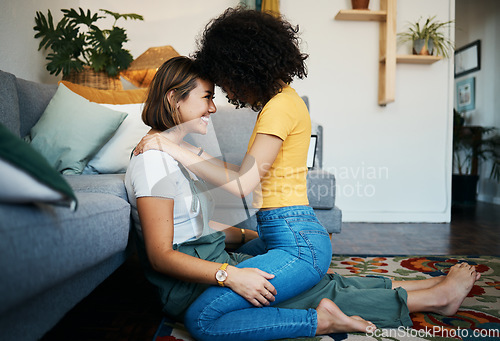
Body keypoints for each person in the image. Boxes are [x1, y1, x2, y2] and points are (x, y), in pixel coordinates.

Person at [127, 55, 480, 341]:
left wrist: (246, 239)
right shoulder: (153, 160)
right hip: (193, 281)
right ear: (174, 97)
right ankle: (328, 321)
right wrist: (229, 275)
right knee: (210, 318)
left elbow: (195, 224)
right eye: (207, 96)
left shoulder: (177, 152)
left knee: (305, 285)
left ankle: (429, 292)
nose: (215, 107)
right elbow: (163, 253)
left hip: (215, 259)